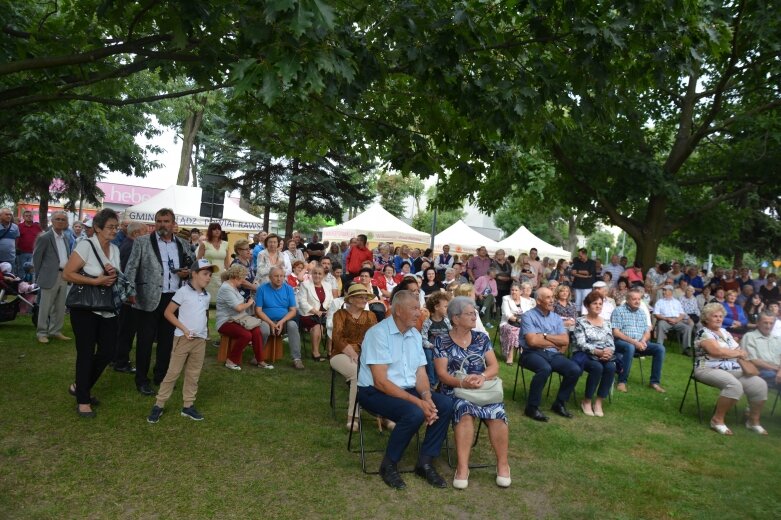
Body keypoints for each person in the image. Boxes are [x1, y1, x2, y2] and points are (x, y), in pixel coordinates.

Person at [356, 290, 454, 490]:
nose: (420, 313)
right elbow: (380, 382)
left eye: (419, 308)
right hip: (373, 391)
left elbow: (420, 374)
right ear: (398, 311)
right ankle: (389, 464)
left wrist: (427, 396)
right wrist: (419, 402)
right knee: (414, 413)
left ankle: (425, 462)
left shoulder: (415, 335)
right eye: (414, 308)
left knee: (444, 404)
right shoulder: (378, 333)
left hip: (406, 388)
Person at [434, 296, 511, 489]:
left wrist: (482, 377)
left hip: (482, 388)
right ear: (455, 318)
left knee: (497, 413)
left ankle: (503, 465)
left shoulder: (481, 337)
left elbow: (494, 366)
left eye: (474, 313)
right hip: (455, 390)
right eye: (470, 314)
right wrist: (462, 382)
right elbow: (442, 375)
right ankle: (462, 467)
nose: (474, 316)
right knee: (464, 410)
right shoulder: (441, 340)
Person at [124, 208, 195, 396]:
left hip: (173, 298)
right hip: (147, 297)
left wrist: (186, 272)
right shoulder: (142, 242)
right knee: (145, 341)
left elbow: (192, 265)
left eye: (166, 221)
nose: (162, 224)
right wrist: (129, 291)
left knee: (166, 341)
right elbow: (131, 268)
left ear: (173, 224)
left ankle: (161, 375)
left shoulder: (182, 243)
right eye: (159, 221)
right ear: (155, 223)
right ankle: (141, 380)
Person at [62, 208, 122, 418]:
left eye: (116, 227)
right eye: (110, 227)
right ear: (97, 228)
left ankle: (81, 386)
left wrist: (113, 275)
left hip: (106, 308)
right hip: (85, 308)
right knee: (86, 352)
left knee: (107, 351)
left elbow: (114, 274)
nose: (114, 230)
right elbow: (68, 274)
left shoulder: (115, 249)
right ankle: (83, 400)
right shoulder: (85, 245)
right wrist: (95, 281)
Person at [146, 259, 216, 423]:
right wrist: (184, 329)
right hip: (182, 339)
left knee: (193, 374)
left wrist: (205, 333)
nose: (208, 278)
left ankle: (188, 405)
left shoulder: (207, 295)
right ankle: (159, 405)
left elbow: (204, 314)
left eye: (210, 275)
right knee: (173, 373)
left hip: (199, 340)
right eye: (205, 274)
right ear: (194, 274)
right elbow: (168, 313)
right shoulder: (183, 292)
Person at [694, 303, 768, 435]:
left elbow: (740, 351)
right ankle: (717, 420)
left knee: (760, 384)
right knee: (734, 386)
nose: (718, 319)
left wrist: (731, 352)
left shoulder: (724, 332)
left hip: (734, 369)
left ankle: (753, 421)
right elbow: (716, 352)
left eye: (720, 316)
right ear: (706, 318)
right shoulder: (703, 332)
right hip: (708, 369)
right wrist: (734, 353)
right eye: (714, 316)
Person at [519, 287, 582, 421]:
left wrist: (545, 336)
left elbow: (565, 340)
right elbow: (532, 341)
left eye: (552, 297)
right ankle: (532, 407)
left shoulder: (556, 318)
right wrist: (555, 342)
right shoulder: (528, 316)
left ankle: (559, 403)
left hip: (552, 354)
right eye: (548, 297)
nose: (552, 300)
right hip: (531, 354)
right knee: (544, 368)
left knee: (574, 369)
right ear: (539, 301)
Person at [331, 284, 378, 430]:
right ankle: (353, 417)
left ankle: (382, 415)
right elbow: (337, 338)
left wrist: (366, 355)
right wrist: (351, 352)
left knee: (381, 373)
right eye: (360, 297)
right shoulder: (340, 314)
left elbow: (375, 338)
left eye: (366, 297)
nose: (364, 299)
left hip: (365, 354)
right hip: (340, 353)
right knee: (357, 374)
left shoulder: (371, 316)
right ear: (350, 299)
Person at [611, 288, 667, 393]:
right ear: (627, 300)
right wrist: (635, 342)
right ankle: (622, 382)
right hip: (621, 343)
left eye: (639, 299)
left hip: (639, 343)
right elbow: (616, 332)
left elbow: (647, 332)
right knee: (630, 347)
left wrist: (643, 341)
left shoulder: (642, 313)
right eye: (634, 299)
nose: (637, 301)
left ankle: (654, 382)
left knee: (660, 348)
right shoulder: (618, 311)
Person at [216, 264, 269, 370]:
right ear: (236, 277)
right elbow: (239, 308)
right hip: (225, 322)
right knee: (246, 335)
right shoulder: (226, 288)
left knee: (256, 330)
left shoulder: (233, 286)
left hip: (237, 319)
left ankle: (260, 360)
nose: (243, 281)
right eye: (243, 278)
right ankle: (231, 360)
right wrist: (250, 302)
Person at [573, 292, 617, 417]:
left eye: (600, 304)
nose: (598, 306)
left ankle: (599, 402)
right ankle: (586, 401)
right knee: (597, 367)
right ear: (587, 305)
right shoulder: (580, 322)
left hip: (603, 354)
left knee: (610, 367)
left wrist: (608, 352)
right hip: (584, 354)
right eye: (594, 303)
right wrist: (597, 352)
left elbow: (611, 342)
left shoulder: (607, 322)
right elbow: (581, 343)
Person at [32, 211, 72, 344]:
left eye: (63, 220)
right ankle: (41, 333)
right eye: (58, 219)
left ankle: (55, 331)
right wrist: (38, 276)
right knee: (45, 306)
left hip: (63, 275)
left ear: (66, 223)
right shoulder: (44, 237)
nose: (60, 221)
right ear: (52, 221)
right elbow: (37, 258)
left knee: (60, 306)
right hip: (49, 276)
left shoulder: (66, 237)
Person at [113, 220, 148, 373]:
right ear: (136, 234)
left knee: (124, 330)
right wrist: (130, 295)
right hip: (128, 298)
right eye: (144, 232)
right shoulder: (131, 246)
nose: (147, 235)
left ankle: (117, 358)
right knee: (126, 331)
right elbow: (128, 274)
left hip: (127, 296)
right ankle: (121, 362)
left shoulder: (128, 244)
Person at [255, 266, 304, 369]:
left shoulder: (289, 289)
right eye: (276, 276)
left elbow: (293, 310)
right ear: (270, 277)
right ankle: (258, 356)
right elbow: (258, 310)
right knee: (263, 329)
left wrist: (281, 322)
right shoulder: (261, 289)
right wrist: (271, 323)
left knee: (293, 325)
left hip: (284, 321)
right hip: (266, 320)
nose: (279, 279)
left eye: (281, 276)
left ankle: (296, 359)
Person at [297, 265, 332, 361]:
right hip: (309, 314)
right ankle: (315, 352)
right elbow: (302, 302)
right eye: (315, 273)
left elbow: (331, 301)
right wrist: (316, 311)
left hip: (324, 313)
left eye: (320, 273)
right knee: (318, 327)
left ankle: (330, 352)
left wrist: (329, 310)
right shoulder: (305, 284)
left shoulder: (328, 285)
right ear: (311, 274)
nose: (317, 275)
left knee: (334, 325)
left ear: (323, 275)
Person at [741, 311, 781, 390]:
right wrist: (777, 369)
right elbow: (753, 360)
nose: (768, 326)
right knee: (769, 374)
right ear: (758, 323)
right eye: (765, 323)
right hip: (760, 371)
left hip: (777, 371)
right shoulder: (750, 336)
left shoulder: (777, 339)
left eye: (771, 323)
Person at [421, 291, 452, 388]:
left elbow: (452, 334)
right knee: (429, 356)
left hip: (445, 346)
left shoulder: (447, 321)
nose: (448, 309)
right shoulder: (427, 322)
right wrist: (431, 346)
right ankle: (431, 382)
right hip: (431, 347)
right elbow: (423, 339)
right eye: (446, 306)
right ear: (436, 307)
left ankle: (444, 379)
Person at [653, 284, 693, 353]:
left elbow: (682, 314)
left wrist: (676, 320)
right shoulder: (660, 302)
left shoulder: (677, 302)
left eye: (665, 290)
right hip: (664, 320)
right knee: (660, 324)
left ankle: (686, 349)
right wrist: (667, 319)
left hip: (676, 321)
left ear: (670, 291)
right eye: (663, 290)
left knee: (687, 328)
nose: (663, 292)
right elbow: (656, 314)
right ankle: (659, 346)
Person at [499, 283, 525, 365]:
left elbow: (528, 314)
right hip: (507, 323)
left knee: (530, 331)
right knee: (514, 332)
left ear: (521, 292)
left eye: (516, 290)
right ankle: (510, 356)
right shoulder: (506, 299)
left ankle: (524, 356)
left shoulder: (525, 301)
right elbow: (507, 315)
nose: (514, 292)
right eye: (512, 290)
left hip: (523, 323)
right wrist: (518, 319)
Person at [15, 209, 42, 276]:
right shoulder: (19, 226)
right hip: (22, 252)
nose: (29, 217)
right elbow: (16, 238)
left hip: (34, 252)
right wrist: (16, 247)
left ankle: (31, 284)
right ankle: (22, 284)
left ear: (32, 217)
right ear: (23, 217)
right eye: (26, 216)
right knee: (21, 269)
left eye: (30, 216)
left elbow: (41, 237)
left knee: (33, 269)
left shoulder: (37, 226)